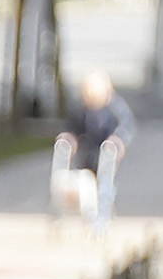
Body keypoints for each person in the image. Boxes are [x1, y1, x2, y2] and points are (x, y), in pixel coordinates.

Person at [55, 70, 131, 228]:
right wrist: (68, 137)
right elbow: (72, 127)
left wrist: (118, 140)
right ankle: (89, 215)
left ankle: (103, 217)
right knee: (85, 183)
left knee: (105, 185)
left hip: (105, 155)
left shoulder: (114, 109)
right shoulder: (81, 109)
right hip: (86, 156)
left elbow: (125, 127)